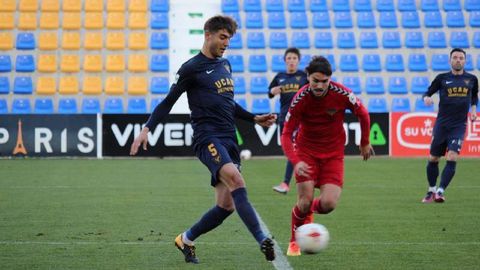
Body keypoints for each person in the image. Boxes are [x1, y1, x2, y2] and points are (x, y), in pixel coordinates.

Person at [130, 15, 277, 263]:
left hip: (229, 139)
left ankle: (185, 239)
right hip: (207, 137)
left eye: (229, 38)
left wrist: (254, 118)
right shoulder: (191, 68)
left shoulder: (226, 65)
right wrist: (147, 128)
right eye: (222, 37)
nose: (226, 43)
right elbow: (167, 102)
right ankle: (262, 239)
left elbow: (228, 104)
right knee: (236, 180)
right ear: (207, 34)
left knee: (226, 206)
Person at [280, 56, 374, 256]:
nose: (320, 85)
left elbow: (363, 114)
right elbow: (286, 134)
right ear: (308, 77)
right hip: (306, 153)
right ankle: (294, 240)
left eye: (324, 81)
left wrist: (365, 141)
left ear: (330, 79)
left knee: (329, 204)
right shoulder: (301, 98)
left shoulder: (341, 93)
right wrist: (296, 162)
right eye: (315, 80)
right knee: (303, 202)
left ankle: (307, 212)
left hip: (333, 155)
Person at [421, 48, 478, 203]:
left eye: (461, 58)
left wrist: (473, 110)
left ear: (465, 61)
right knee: (433, 158)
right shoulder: (442, 78)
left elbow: (474, 97)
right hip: (442, 125)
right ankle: (431, 190)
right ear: (450, 60)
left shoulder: (472, 79)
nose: (458, 60)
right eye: (455, 57)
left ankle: (440, 191)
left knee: (452, 156)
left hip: (459, 126)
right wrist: (426, 98)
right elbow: (427, 93)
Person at [268, 47, 308, 195]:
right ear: (285, 61)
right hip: (284, 118)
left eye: (294, 58)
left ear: (298, 60)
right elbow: (270, 92)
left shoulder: (304, 77)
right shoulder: (280, 77)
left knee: (295, 150)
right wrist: (273, 91)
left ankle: (286, 183)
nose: (291, 61)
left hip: (300, 119)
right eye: (289, 58)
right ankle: (300, 179)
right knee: (292, 151)